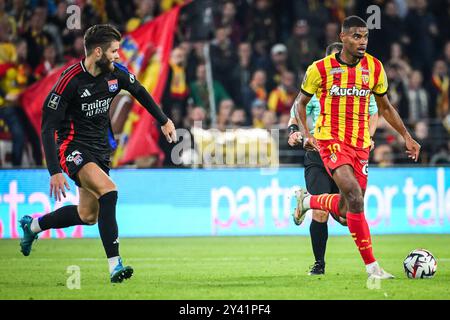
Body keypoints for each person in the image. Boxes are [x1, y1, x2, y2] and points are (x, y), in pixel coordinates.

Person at [18, 24, 177, 283]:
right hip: (73, 149)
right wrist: (55, 171)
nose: (118, 56)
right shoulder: (69, 82)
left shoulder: (114, 74)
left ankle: (32, 226)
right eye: (114, 51)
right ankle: (115, 265)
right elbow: (47, 128)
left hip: (101, 151)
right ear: (98, 52)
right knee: (109, 191)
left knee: (87, 215)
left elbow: (138, 90)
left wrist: (163, 120)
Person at [292, 16, 421, 279]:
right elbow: (301, 104)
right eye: (356, 36)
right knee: (353, 195)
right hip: (330, 141)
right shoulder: (320, 69)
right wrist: (306, 134)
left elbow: (384, 107)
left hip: (360, 145)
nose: (362, 42)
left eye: (365, 37)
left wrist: (406, 136)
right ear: (342, 37)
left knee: (347, 208)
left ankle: (308, 201)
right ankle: (373, 268)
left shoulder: (374, 67)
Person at [288, 42, 379, 276]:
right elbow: (295, 113)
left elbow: (373, 111)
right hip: (318, 155)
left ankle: (305, 201)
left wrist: (367, 136)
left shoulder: (357, 86)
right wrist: (295, 133)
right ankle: (319, 264)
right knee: (322, 214)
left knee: (347, 218)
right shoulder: (316, 88)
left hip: (347, 155)